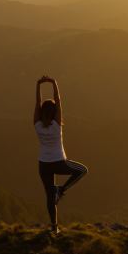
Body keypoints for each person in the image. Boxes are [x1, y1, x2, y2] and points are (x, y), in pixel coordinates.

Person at [33, 75, 88, 234]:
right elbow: (59, 100)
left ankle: (54, 227)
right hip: (59, 162)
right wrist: (53, 83)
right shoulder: (57, 125)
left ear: (42, 111)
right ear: (55, 111)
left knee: (49, 196)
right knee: (82, 170)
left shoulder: (37, 125)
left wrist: (38, 85)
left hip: (43, 165)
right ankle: (62, 190)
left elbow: (37, 104)